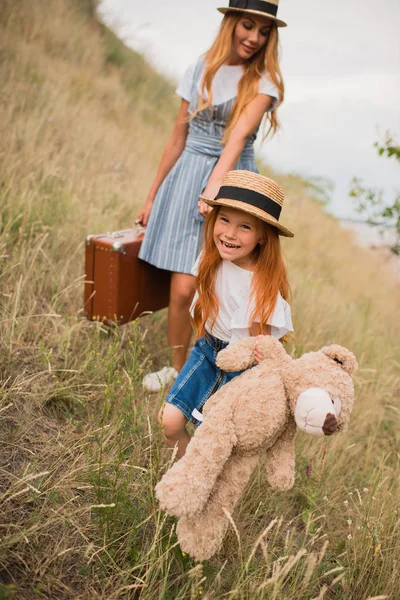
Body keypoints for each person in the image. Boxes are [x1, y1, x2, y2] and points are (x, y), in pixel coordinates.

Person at [138, 0, 288, 392]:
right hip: (186, 175)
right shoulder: (199, 68)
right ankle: (177, 367)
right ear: (231, 24)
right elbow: (177, 136)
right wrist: (152, 196)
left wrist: (214, 191)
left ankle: (223, 373)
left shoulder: (264, 81)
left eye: (264, 31)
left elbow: (236, 139)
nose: (254, 38)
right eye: (247, 26)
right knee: (182, 286)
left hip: (232, 184)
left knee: (224, 285)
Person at [158, 169, 294, 459]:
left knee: (218, 443)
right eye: (224, 220)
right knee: (170, 421)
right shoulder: (210, 258)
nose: (230, 234)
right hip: (207, 351)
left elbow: (261, 349)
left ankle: (205, 484)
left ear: (262, 238)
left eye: (245, 227)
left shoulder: (261, 286)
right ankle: (185, 471)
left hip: (243, 367)